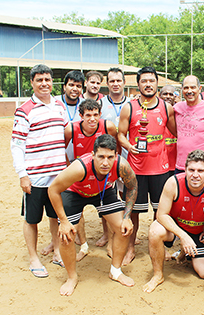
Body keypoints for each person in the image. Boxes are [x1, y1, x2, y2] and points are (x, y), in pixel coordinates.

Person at [48, 134, 138, 296]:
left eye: (110, 157)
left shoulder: (122, 165)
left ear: (116, 156)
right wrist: (63, 221)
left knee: (123, 228)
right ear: (92, 155)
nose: (105, 162)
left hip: (102, 191)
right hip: (75, 192)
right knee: (66, 234)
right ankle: (71, 277)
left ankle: (116, 271)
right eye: (101, 157)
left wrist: (127, 217)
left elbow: (132, 186)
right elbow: (53, 189)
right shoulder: (79, 167)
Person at [143, 150, 204, 293]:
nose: (195, 175)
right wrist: (183, 237)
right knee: (154, 231)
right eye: (191, 170)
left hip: (201, 231)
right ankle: (158, 275)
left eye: (200, 170)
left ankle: (186, 252)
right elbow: (161, 214)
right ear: (185, 169)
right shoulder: (173, 183)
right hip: (176, 228)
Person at [11, 64, 68, 278]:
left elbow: (65, 133)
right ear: (32, 83)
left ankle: (56, 252)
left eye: (47, 79)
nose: (44, 84)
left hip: (57, 178)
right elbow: (16, 145)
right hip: (34, 178)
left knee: (55, 217)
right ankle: (34, 258)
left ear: (52, 81)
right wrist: (22, 174)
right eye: (39, 80)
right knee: (32, 219)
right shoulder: (24, 110)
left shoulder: (60, 106)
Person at [118, 66, 176, 265]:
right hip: (136, 168)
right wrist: (129, 146)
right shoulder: (129, 107)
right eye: (144, 81)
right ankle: (131, 248)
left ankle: (157, 245)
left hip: (160, 169)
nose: (148, 84)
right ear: (138, 83)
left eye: (152, 80)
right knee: (133, 210)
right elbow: (120, 135)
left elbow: (176, 133)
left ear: (157, 83)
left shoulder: (166, 108)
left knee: (160, 211)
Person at [63, 98, 118, 261]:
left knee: (108, 210)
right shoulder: (71, 129)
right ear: (81, 116)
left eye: (95, 114)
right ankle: (84, 244)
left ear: (100, 114)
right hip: (81, 175)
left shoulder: (107, 126)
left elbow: (115, 148)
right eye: (88, 115)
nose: (92, 119)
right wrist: (69, 167)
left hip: (103, 174)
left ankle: (109, 243)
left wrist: (112, 170)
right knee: (77, 212)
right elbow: (61, 148)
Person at [97, 67, 130, 248]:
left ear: (124, 83)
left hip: (127, 157)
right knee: (106, 195)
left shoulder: (132, 103)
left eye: (119, 80)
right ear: (107, 83)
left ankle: (126, 228)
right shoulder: (100, 104)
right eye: (112, 81)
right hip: (107, 160)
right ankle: (106, 233)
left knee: (124, 195)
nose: (115, 84)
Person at [175, 75, 204, 175]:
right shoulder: (177, 108)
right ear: (182, 90)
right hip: (181, 166)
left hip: (203, 168)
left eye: (193, 87)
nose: (189, 91)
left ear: (199, 89)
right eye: (186, 88)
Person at [159, 85, 178, 178]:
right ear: (159, 96)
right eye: (165, 94)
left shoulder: (180, 111)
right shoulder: (154, 112)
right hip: (160, 164)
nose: (168, 96)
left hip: (177, 164)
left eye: (171, 94)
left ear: (175, 97)